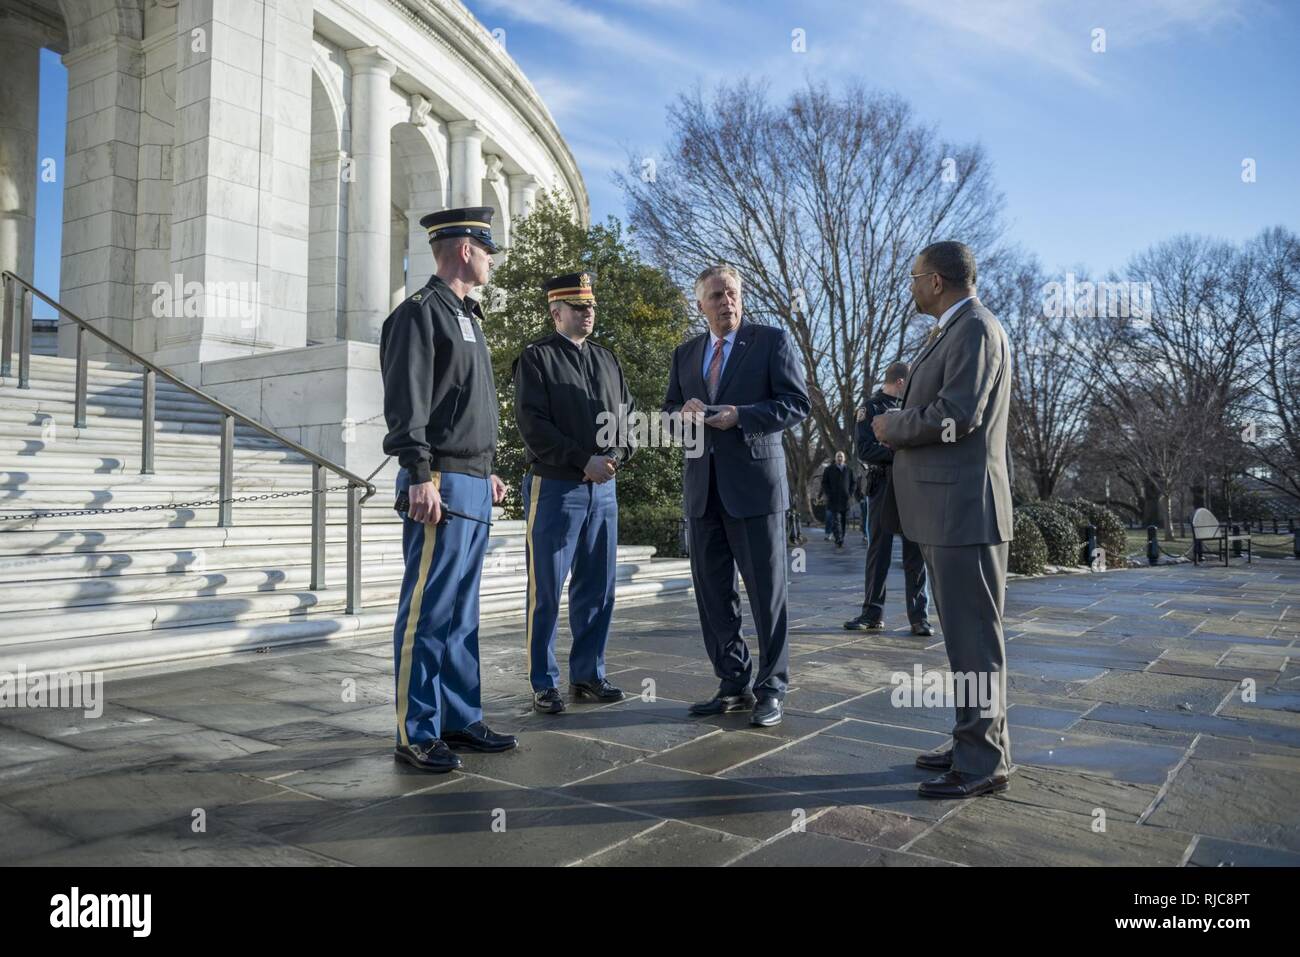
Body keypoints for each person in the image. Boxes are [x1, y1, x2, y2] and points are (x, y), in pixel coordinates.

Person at [872, 240, 1013, 800]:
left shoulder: (974, 328)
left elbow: (959, 415)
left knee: (975, 641)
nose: (909, 286)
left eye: (913, 277)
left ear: (935, 281)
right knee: (965, 641)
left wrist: (895, 426)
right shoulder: (955, 328)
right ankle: (973, 741)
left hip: (964, 510)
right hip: (946, 509)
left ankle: (983, 762)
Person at [380, 206, 516, 773]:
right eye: (487, 250)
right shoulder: (419, 315)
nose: (490, 260)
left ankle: (458, 717)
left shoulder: (467, 315)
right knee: (427, 609)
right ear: (464, 249)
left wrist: (485, 468)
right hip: (437, 480)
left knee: (462, 611)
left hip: (472, 480)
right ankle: (416, 730)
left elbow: (464, 405)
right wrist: (418, 473)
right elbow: (408, 404)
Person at [663, 264, 810, 727]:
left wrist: (740, 415)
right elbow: (668, 409)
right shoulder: (685, 354)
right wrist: (681, 414)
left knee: (768, 595)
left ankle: (772, 688)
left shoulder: (770, 341)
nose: (726, 301)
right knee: (713, 596)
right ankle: (733, 683)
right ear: (700, 304)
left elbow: (795, 404)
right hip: (702, 492)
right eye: (716, 295)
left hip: (755, 490)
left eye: (732, 293)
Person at [513, 272, 635, 714]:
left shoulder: (608, 359)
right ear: (556, 312)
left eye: (592, 307)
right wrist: (583, 459)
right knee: (545, 588)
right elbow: (533, 426)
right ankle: (543, 681)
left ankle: (588, 673)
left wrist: (617, 455)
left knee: (598, 587)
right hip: (556, 487)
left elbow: (627, 415)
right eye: (579, 307)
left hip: (604, 489)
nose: (589, 314)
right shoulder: (536, 359)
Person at [844, 361, 932, 636]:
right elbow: (866, 450)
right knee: (878, 551)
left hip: (912, 486)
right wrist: (903, 451)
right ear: (902, 383)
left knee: (915, 553)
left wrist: (896, 446)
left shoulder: (914, 409)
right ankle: (872, 613)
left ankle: (919, 618)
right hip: (883, 484)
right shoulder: (870, 409)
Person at [818, 451, 852, 547]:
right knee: (835, 520)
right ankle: (838, 538)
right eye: (838, 457)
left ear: (844, 458)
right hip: (833, 499)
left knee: (844, 520)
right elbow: (824, 483)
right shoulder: (829, 469)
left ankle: (842, 536)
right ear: (835, 458)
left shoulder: (848, 470)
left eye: (841, 457)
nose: (840, 458)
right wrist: (829, 493)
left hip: (845, 499)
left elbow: (853, 482)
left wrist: (850, 493)